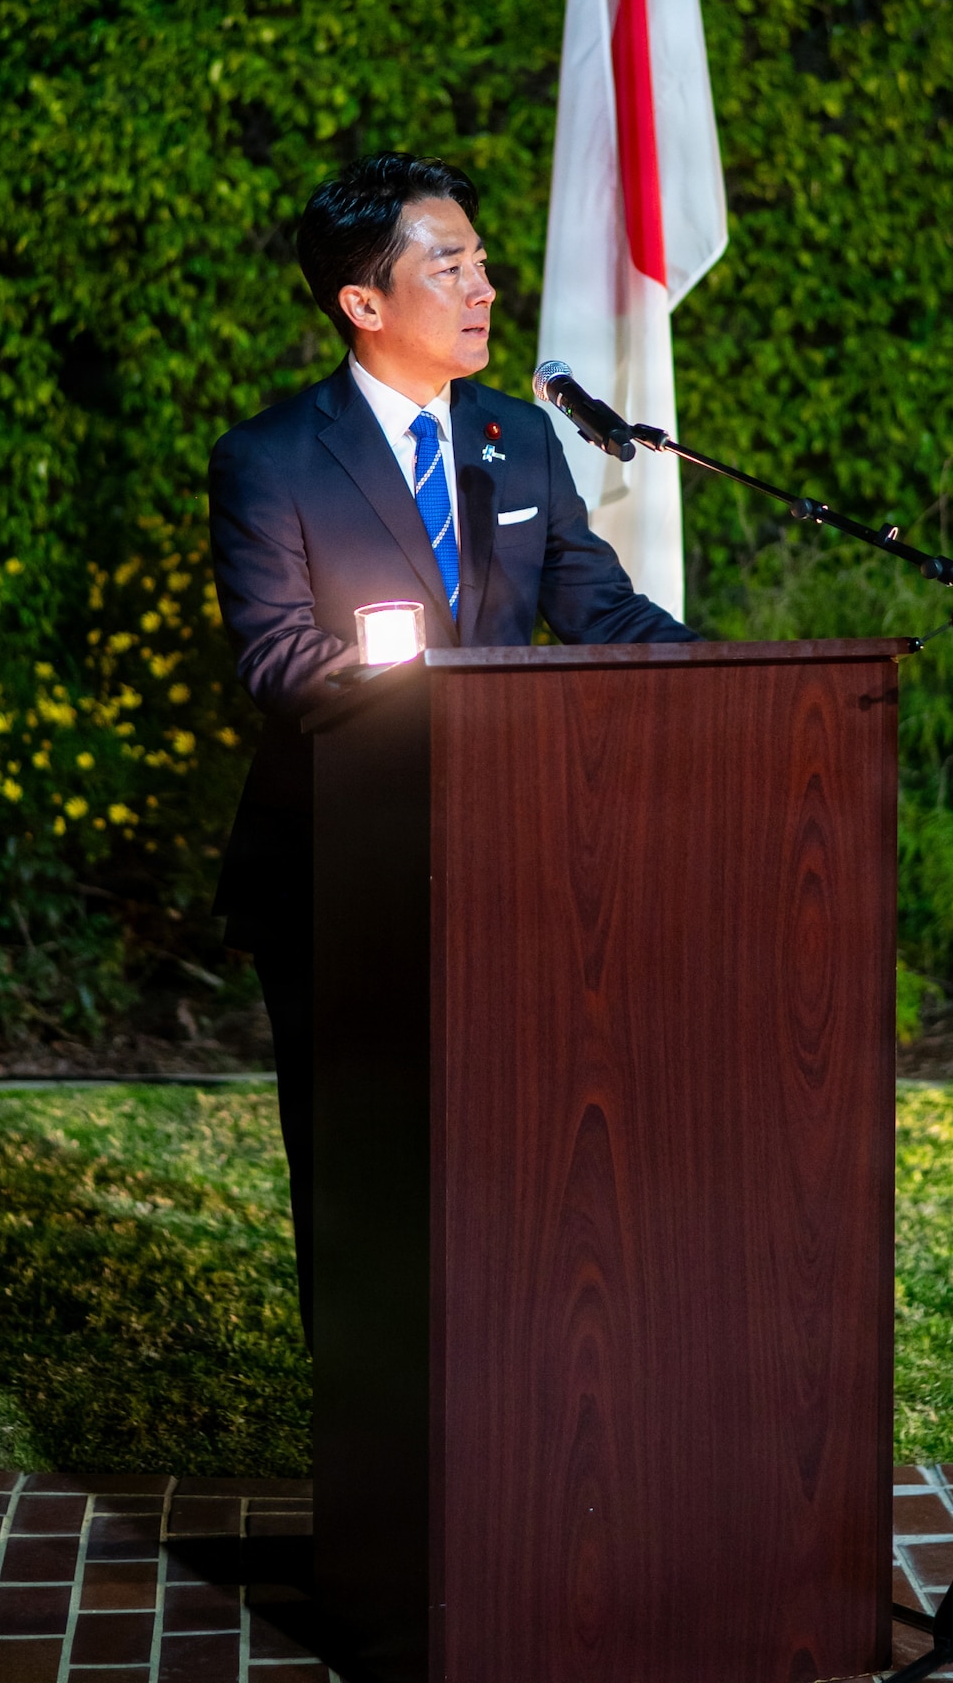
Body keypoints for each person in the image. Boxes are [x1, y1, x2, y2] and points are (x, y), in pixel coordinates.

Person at [208, 152, 696, 1342]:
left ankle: (517, 1382)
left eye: (480, 259)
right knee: (361, 1159)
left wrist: (714, 673)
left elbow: (601, 610)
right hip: (342, 870)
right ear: (362, 304)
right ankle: (367, 1425)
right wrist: (443, 689)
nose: (483, 285)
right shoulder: (270, 458)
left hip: (516, 864)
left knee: (521, 1149)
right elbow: (278, 660)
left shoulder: (520, 438)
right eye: (448, 264)